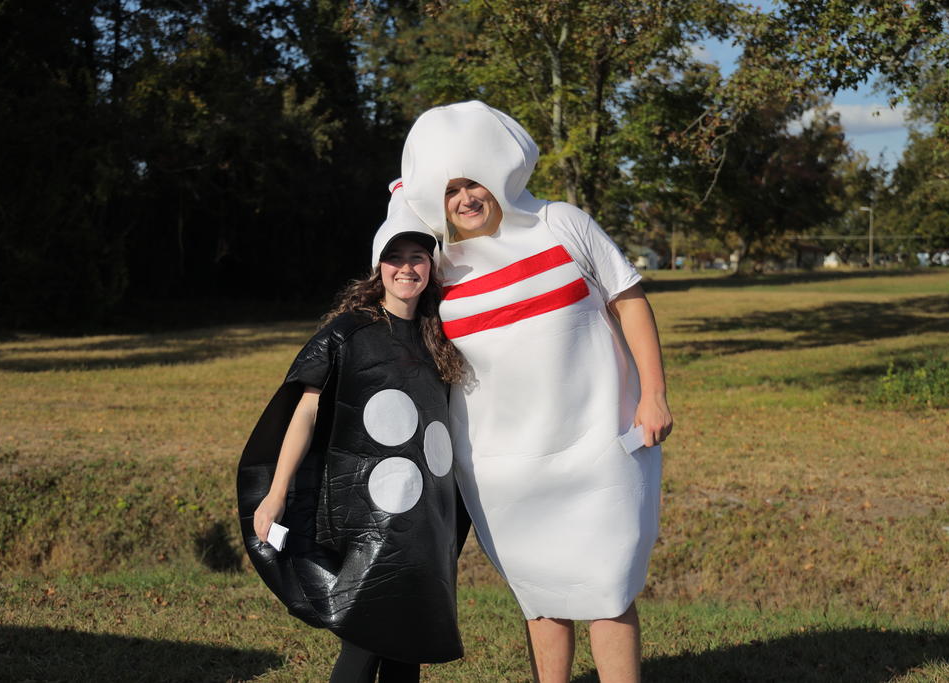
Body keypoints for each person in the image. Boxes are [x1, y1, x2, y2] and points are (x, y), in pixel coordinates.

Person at [400, 101, 673, 682]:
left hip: (599, 444)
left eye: (473, 181)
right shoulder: (441, 264)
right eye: (448, 191)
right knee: (541, 593)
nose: (465, 199)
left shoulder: (561, 222)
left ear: (499, 171)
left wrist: (654, 394)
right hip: (501, 464)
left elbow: (630, 301)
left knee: (609, 582)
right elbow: (388, 282)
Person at [235, 181, 465, 682]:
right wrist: (274, 495)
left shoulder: (441, 338)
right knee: (364, 638)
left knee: (408, 644)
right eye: (395, 256)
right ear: (377, 265)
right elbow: (306, 412)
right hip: (366, 519)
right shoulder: (349, 332)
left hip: (425, 521)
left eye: (418, 256)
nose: (407, 268)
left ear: (432, 266)